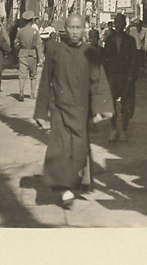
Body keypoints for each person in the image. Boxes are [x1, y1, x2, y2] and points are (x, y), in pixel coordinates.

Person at [34, 14, 113, 209]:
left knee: (78, 152)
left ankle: (71, 185)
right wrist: (40, 113)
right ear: (65, 29)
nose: (75, 32)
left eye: (79, 28)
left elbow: (98, 80)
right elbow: (45, 81)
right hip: (59, 109)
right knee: (58, 150)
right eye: (71, 28)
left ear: (84, 29)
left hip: (81, 111)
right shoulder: (55, 51)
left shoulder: (91, 52)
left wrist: (103, 108)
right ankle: (64, 189)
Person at [104, 13, 137, 143]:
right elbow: (105, 60)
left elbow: (134, 60)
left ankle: (124, 130)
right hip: (112, 75)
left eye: (120, 22)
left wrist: (131, 76)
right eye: (116, 22)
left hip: (126, 76)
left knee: (127, 103)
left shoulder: (130, 41)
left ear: (124, 24)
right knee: (110, 103)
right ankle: (113, 129)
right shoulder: (109, 40)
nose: (118, 25)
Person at [14, 10, 43, 101]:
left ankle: (21, 92)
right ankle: (32, 94)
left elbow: (15, 43)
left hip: (22, 54)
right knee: (33, 76)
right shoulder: (35, 32)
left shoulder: (20, 31)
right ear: (32, 21)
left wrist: (18, 49)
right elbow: (38, 45)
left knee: (22, 75)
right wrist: (41, 58)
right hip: (33, 55)